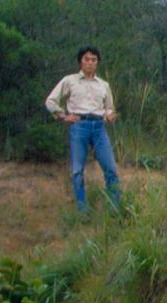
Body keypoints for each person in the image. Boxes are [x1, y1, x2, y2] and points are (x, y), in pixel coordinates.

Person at [45, 46, 121, 213]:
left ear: (97, 63)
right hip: (79, 126)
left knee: (110, 168)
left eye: (93, 60)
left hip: (99, 126)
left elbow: (109, 107)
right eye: (86, 59)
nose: (90, 63)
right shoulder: (70, 81)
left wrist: (110, 115)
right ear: (81, 61)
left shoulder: (103, 85)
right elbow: (50, 101)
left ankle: (115, 208)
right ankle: (82, 210)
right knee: (78, 170)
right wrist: (63, 116)